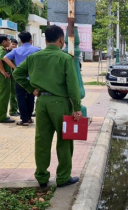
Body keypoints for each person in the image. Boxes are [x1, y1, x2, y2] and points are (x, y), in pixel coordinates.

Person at [13, 25, 82, 187]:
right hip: (60, 103)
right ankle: (63, 177)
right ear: (60, 40)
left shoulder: (34, 57)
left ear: (45, 40)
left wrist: (31, 89)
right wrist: (77, 107)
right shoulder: (65, 58)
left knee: (42, 140)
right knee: (65, 140)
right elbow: (72, 85)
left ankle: (42, 177)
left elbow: (17, 74)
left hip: (42, 103)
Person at [4, 32, 41, 126]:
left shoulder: (16, 50)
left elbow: (5, 58)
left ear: (20, 40)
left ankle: (24, 120)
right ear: (31, 40)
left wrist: (15, 68)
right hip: (32, 78)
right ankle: (29, 117)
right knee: (31, 97)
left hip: (20, 78)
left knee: (20, 98)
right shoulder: (37, 50)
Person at [0, 36, 14, 123]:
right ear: (4, 41)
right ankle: (2, 116)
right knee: (3, 96)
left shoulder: (4, 49)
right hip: (3, 77)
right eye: (8, 40)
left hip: (5, 76)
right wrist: (3, 72)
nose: (9, 42)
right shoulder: (2, 50)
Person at [7, 38, 19, 117]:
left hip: (15, 76)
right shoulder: (6, 53)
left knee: (15, 93)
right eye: (12, 44)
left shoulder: (16, 53)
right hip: (10, 76)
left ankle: (15, 109)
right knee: (12, 94)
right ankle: (12, 111)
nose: (14, 46)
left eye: (15, 44)